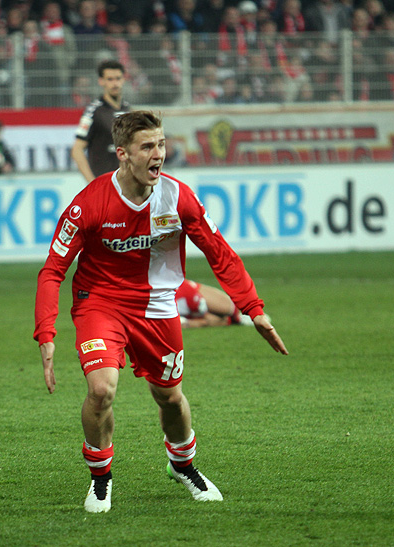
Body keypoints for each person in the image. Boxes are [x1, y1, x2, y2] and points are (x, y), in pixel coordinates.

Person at [34, 110, 288, 513]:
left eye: (162, 144)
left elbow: (220, 254)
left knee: (169, 397)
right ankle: (100, 479)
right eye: (148, 146)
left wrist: (253, 308)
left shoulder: (179, 197)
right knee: (101, 390)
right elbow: (53, 270)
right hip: (99, 303)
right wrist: (46, 333)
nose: (159, 154)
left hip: (157, 305)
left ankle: (183, 466)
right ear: (122, 154)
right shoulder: (89, 204)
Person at [71, 59, 130, 184]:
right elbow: (77, 150)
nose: (115, 83)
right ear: (101, 81)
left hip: (126, 184)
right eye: (110, 79)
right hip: (105, 183)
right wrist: (92, 183)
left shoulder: (127, 109)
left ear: (123, 80)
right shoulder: (94, 111)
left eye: (118, 78)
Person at [176, 279, 255, 328]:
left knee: (230, 308)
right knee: (204, 321)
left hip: (183, 290)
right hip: (178, 305)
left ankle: (238, 318)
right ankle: (236, 320)